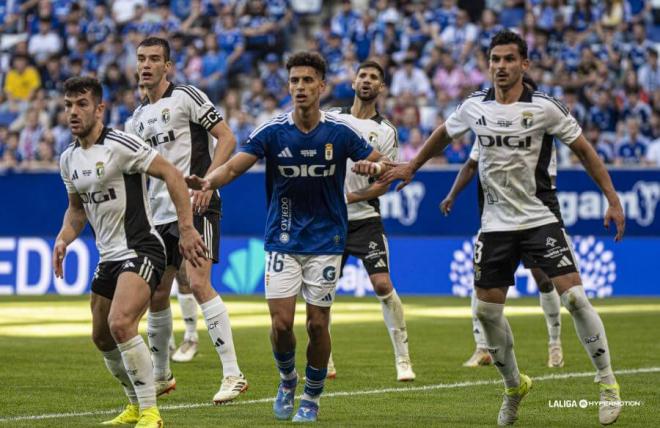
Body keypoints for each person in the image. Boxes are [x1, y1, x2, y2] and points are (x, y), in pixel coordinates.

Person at [383, 31, 625, 426]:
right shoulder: (475, 106)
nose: (501, 66)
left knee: (576, 299)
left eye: (509, 59)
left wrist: (613, 199)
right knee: (486, 312)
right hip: (495, 225)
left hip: (539, 218)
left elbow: (585, 150)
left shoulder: (546, 108)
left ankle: (607, 382)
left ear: (524, 64)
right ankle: (514, 386)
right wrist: (411, 165)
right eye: (495, 59)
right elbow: (444, 134)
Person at [185, 51, 391, 422]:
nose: (300, 87)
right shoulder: (272, 130)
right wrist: (208, 180)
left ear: (322, 87)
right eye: (294, 81)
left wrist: (373, 166)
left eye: (308, 81)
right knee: (280, 326)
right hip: (282, 238)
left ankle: (312, 396)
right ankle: (287, 379)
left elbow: (383, 165)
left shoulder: (342, 132)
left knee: (317, 324)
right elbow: (234, 165)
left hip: (327, 242)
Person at [53, 76, 207, 427]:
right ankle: (135, 405)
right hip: (108, 256)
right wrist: (63, 238)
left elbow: (170, 173)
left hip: (142, 248)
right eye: (68, 105)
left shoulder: (121, 144)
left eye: (81, 104)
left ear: (100, 109)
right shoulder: (68, 159)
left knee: (121, 323)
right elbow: (77, 210)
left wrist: (185, 229)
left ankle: (152, 412)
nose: (73, 112)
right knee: (101, 335)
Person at [127, 37, 246, 403]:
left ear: (168, 66)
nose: (146, 65)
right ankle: (161, 376)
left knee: (196, 283)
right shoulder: (135, 120)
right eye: (141, 59)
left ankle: (233, 374)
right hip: (158, 216)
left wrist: (209, 181)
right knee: (158, 292)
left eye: (154, 59)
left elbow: (227, 138)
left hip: (198, 204)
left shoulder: (187, 97)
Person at [328, 60, 415, 381]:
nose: (366, 81)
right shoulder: (332, 119)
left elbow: (386, 180)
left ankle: (403, 360)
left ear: (381, 88)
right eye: (362, 75)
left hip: (366, 220)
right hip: (331, 221)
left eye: (374, 78)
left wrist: (351, 196)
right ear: (353, 83)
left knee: (382, 284)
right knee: (322, 293)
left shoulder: (386, 131)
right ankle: (326, 360)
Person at [442, 141, 564, 369]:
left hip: (530, 217)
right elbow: (470, 165)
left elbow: (549, 181)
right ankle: (482, 348)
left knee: (544, 279)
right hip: (496, 220)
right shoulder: (487, 125)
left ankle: (554, 343)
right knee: (482, 281)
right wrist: (452, 195)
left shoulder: (538, 129)